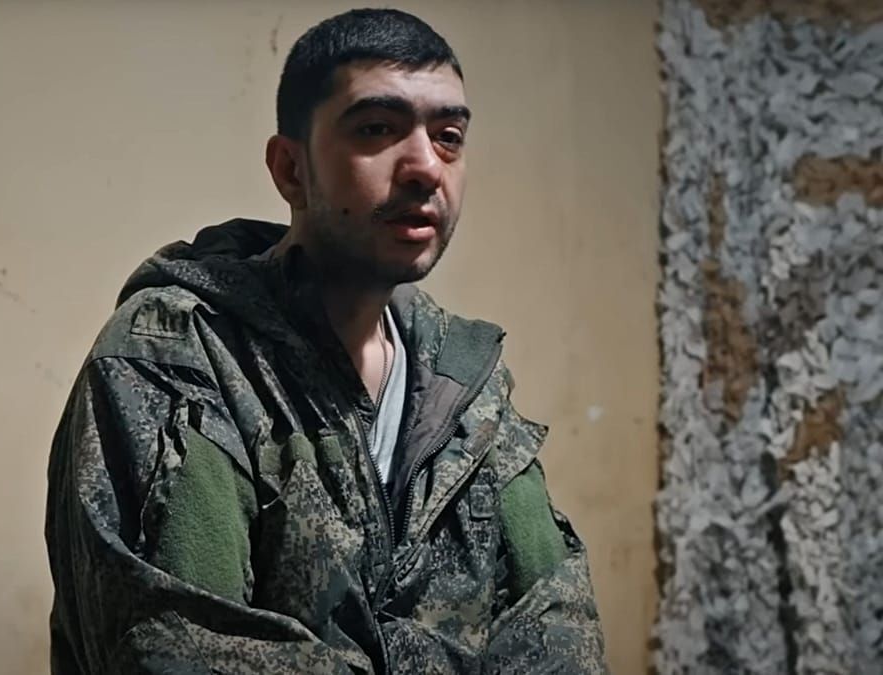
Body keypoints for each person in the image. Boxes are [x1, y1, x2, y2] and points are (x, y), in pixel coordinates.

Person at [45, 8, 606, 674]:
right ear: (291, 169)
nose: (426, 167)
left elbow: (562, 632)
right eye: (377, 129)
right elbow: (176, 648)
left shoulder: (467, 386)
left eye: (448, 136)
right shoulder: (178, 359)